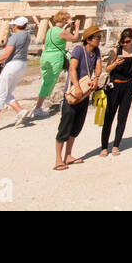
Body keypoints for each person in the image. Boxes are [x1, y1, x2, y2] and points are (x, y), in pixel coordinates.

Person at [54, 26, 102, 171]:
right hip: (75, 92)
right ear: (88, 39)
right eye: (97, 38)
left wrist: (96, 78)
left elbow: (98, 66)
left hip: (85, 94)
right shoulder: (78, 50)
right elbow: (72, 68)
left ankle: (68, 155)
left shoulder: (96, 52)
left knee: (76, 126)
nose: (99, 40)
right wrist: (77, 86)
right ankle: (58, 159)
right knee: (65, 125)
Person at [0, 17, 31, 132]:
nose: (12, 27)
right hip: (22, 64)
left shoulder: (15, 37)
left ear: (15, 26)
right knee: (7, 93)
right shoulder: (27, 36)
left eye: (13, 25)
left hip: (12, 65)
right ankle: (20, 111)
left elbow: (7, 54)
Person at [99, 28, 132, 157]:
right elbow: (107, 69)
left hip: (128, 85)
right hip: (115, 85)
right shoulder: (116, 51)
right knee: (109, 116)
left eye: (127, 41)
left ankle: (116, 145)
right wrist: (115, 63)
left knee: (122, 116)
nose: (125, 44)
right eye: (123, 42)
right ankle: (104, 146)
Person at [32, 12, 78, 118]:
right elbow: (75, 38)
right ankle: (38, 108)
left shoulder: (50, 30)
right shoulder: (62, 32)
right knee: (49, 82)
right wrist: (77, 27)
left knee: (45, 81)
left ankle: (39, 106)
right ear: (65, 20)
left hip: (45, 56)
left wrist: (66, 26)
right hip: (55, 58)